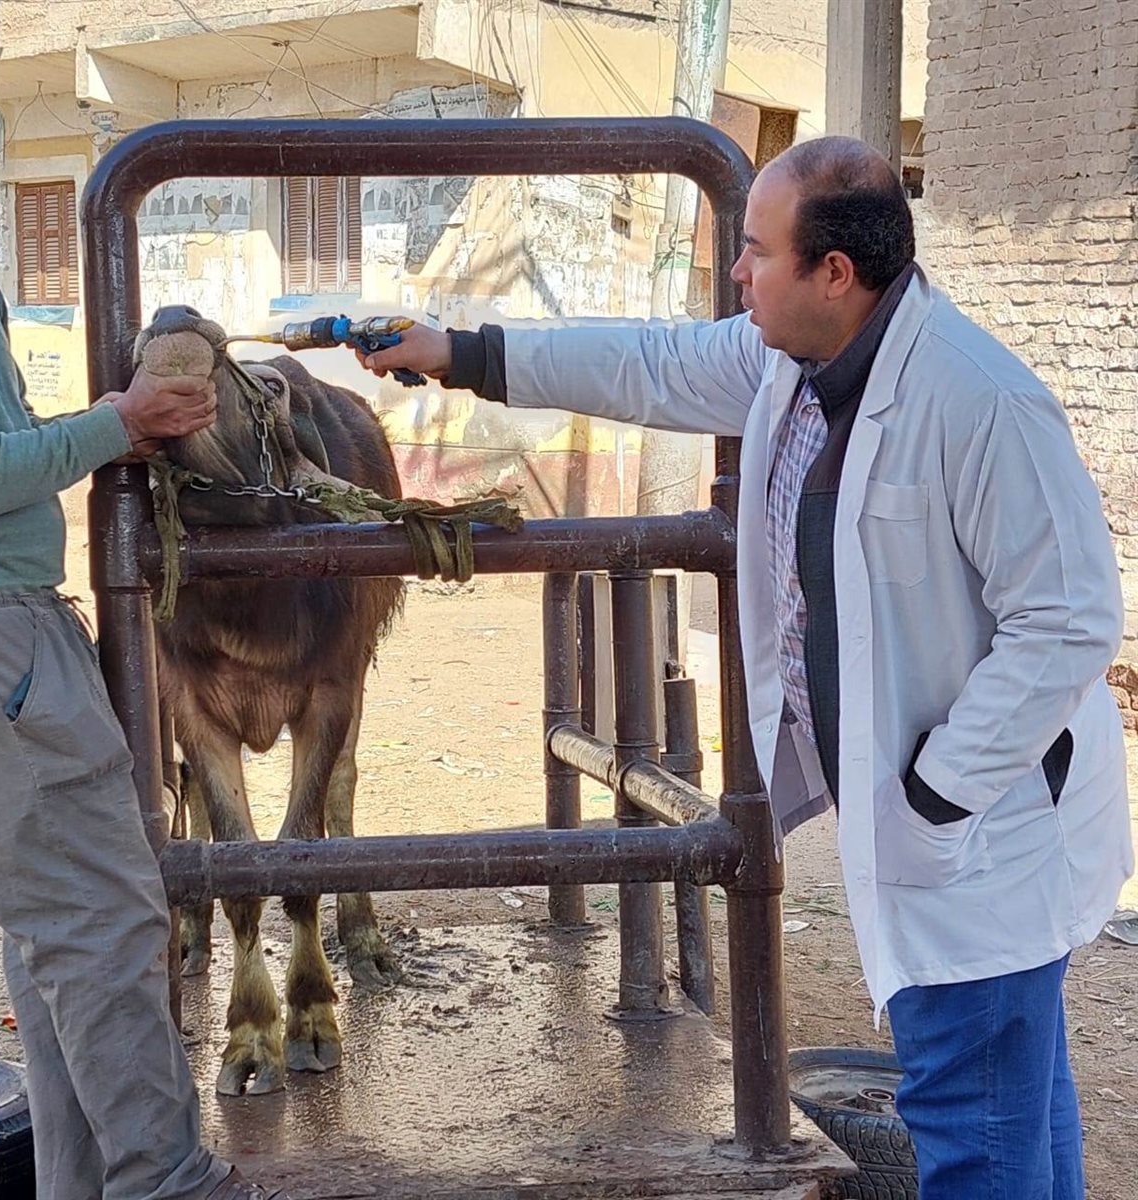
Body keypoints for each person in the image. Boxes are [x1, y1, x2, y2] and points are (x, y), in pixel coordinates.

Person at [355, 135, 1132, 1198]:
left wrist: (934, 792)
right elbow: (649, 364)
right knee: (1015, 1104)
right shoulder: (789, 361)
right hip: (928, 816)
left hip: (984, 831)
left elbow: (1071, 622)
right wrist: (461, 352)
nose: (737, 272)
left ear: (834, 273)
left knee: (972, 1122)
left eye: (758, 252)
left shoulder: (978, 401)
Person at [0, 98, 290, 1200]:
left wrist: (107, 423)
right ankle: (167, 1180)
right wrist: (120, 424)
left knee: (56, 934)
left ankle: (88, 1186)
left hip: (15, 623)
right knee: (103, 923)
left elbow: (0, 438)